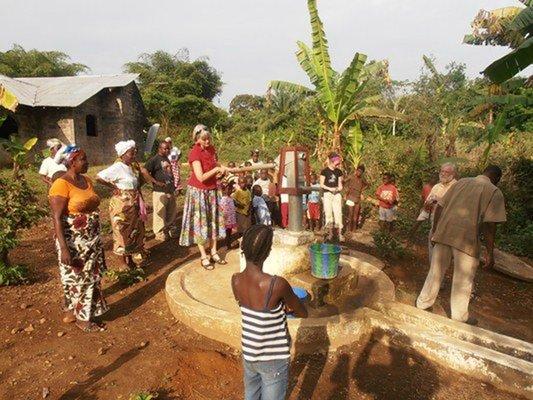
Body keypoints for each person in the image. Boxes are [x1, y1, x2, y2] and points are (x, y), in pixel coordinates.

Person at [416, 165, 507, 324]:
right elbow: (489, 225)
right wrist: (490, 253)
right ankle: (459, 317)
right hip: (466, 239)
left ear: (483, 172)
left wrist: (436, 230)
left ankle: (423, 303)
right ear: (497, 179)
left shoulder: (461, 182)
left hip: (444, 232)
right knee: (463, 279)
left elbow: (440, 207)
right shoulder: (494, 191)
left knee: (436, 271)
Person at [231, 225, 308, 400]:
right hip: (273, 357)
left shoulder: (235, 280)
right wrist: (288, 308)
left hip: (249, 352)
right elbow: (303, 313)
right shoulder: (276, 284)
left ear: (243, 248)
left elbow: (248, 308)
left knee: (251, 395)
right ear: (268, 252)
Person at [48, 145, 108, 332]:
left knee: (89, 277)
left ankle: (72, 312)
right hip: (74, 242)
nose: (87, 162)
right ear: (72, 162)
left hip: (91, 240)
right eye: (83, 159)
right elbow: (57, 218)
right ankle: (84, 319)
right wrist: (64, 248)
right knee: (80, 279)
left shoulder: (87, 180)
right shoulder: (61, 184)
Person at [179, 124, 228, 270]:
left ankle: (213, 251)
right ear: (197, 140)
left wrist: (221, 169)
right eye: (204, 139)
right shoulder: (194, 153)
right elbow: (200, 177)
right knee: (200, 223)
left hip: (212, 191)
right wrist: (216, 170)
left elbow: (215, 165)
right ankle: (203, 255)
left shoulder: (212, 149)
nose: (207, 142)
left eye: (209, 139)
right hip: (199, 192)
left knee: (214, 221)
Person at [96, 140, 147, 270]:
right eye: (131, 153)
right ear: (123, 154)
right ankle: (121, 262)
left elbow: (138, 183)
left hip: (133, 203)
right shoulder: (117, 167)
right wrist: (113, 186)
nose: (134, 154)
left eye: (135, 152)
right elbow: (99, 177)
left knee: (131, 232)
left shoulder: (131, 167)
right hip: (121, 204)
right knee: (121, 231)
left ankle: (129, 259)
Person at [145, 141, 178, 241]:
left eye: (168, 148)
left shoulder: (167, 158)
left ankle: (170, 229)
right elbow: (144, 170)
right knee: (160, 212)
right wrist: (155, 181)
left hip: (169, 190)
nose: (167, 150)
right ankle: (159, 232)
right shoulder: (154, 160)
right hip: (159, 191)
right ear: (159, 149)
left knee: (171, 210)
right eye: (165, 148)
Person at [320, 153, 344, 242]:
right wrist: (330, 188)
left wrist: (337, 189)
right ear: (331, 161)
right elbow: (322, 184)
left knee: (338, 213)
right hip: (327, 194)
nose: (337, 165)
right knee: (328, 214)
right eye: (336, 163)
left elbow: (340, 185)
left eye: (338, 164)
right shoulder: (324, 171)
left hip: (336, 194)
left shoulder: (339, 172)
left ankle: (340, 234)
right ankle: (330, 233)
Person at [344, 164, 368, 234]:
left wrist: (361, 190)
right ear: (356, 170)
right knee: (350, 214)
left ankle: (354, 229)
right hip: (350, 197)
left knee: (356, 214)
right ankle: (349, 229)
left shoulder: (362, 179)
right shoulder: (351, 177)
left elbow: (367, 184)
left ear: (362, 173)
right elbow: (343, 181)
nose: (359, 173)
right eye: (358, 171)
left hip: (358, 198)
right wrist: (346, 189)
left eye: (361, 172)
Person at [220, 183, 238, 249]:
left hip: (230, 219)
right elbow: (222, 209)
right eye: (228, 189)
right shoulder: (223, 199)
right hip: (226, 219)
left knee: (229, 232)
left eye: (230, 189)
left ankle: (228, 244)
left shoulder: (230, 198)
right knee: (227, 232)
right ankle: (227, 245)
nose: (230, 191)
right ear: (224, 190)